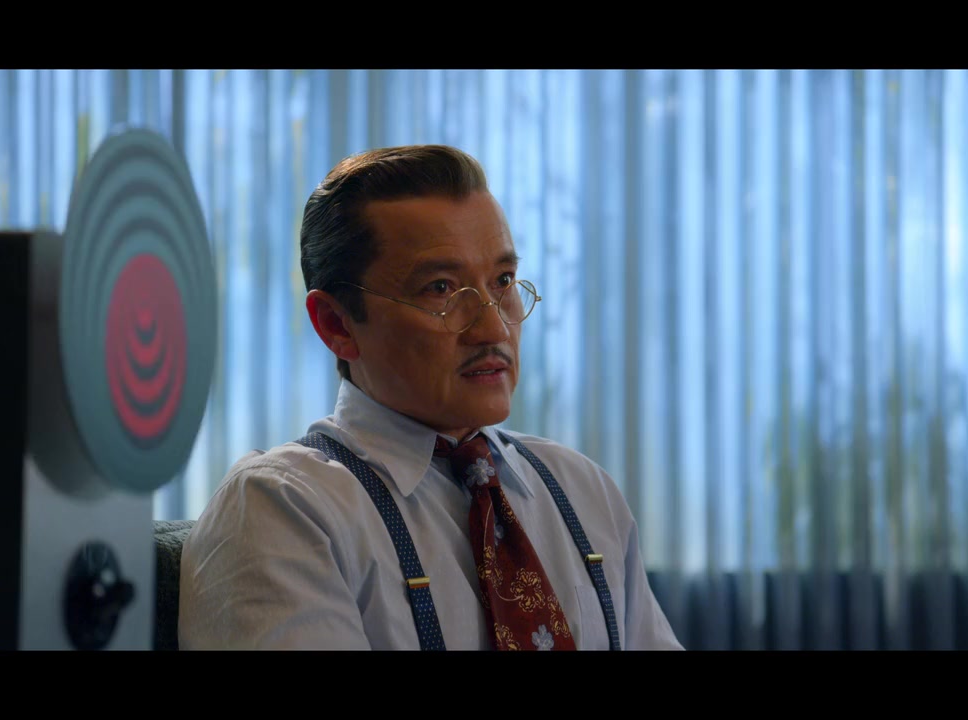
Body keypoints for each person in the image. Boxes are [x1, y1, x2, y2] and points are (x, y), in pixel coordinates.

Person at [178, 144, 682, 650]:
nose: (493, 328)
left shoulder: (581, 491)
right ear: (337, 325)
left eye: (503, 281)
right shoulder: (285, 508)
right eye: (441, 289)